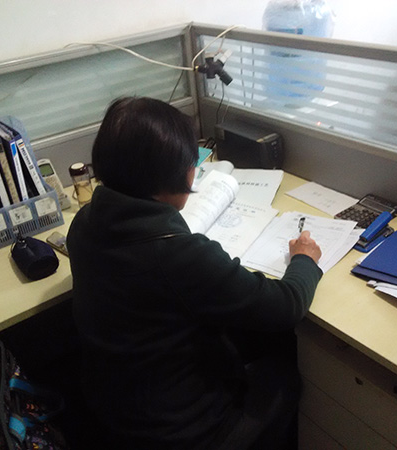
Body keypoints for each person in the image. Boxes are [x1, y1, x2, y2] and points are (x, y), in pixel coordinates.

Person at [66, 96, 322, 450]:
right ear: (178, 175)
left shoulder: (84, 222)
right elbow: (286, 305)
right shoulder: (178, 254)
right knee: (282, 374)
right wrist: (305, 260)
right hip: (184, 432)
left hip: (114, 411)